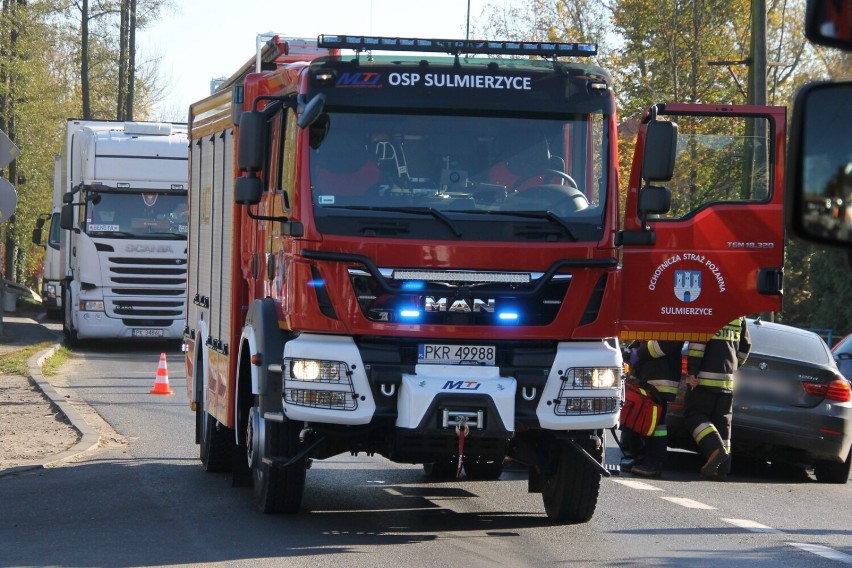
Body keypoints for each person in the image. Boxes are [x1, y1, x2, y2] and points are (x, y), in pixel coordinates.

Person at [683, 316, 751, 480]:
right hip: (728, 380)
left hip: (704, 380)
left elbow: (698, 345)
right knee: (723, 421)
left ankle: (715, 449)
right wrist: (734, 367)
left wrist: (692, 371)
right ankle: (722, 469)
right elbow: (745, 348)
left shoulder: (709, 311)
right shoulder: (739, 315)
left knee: (694, 415)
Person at [621, 339, 685, 477]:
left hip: (659, 378)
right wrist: (630, 350)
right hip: (647, 375)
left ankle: (653, 463)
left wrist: (638, 352)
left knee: (656, 425)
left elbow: (667, 343)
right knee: (639, 420)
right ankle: (640, 458)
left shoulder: (673, 320)